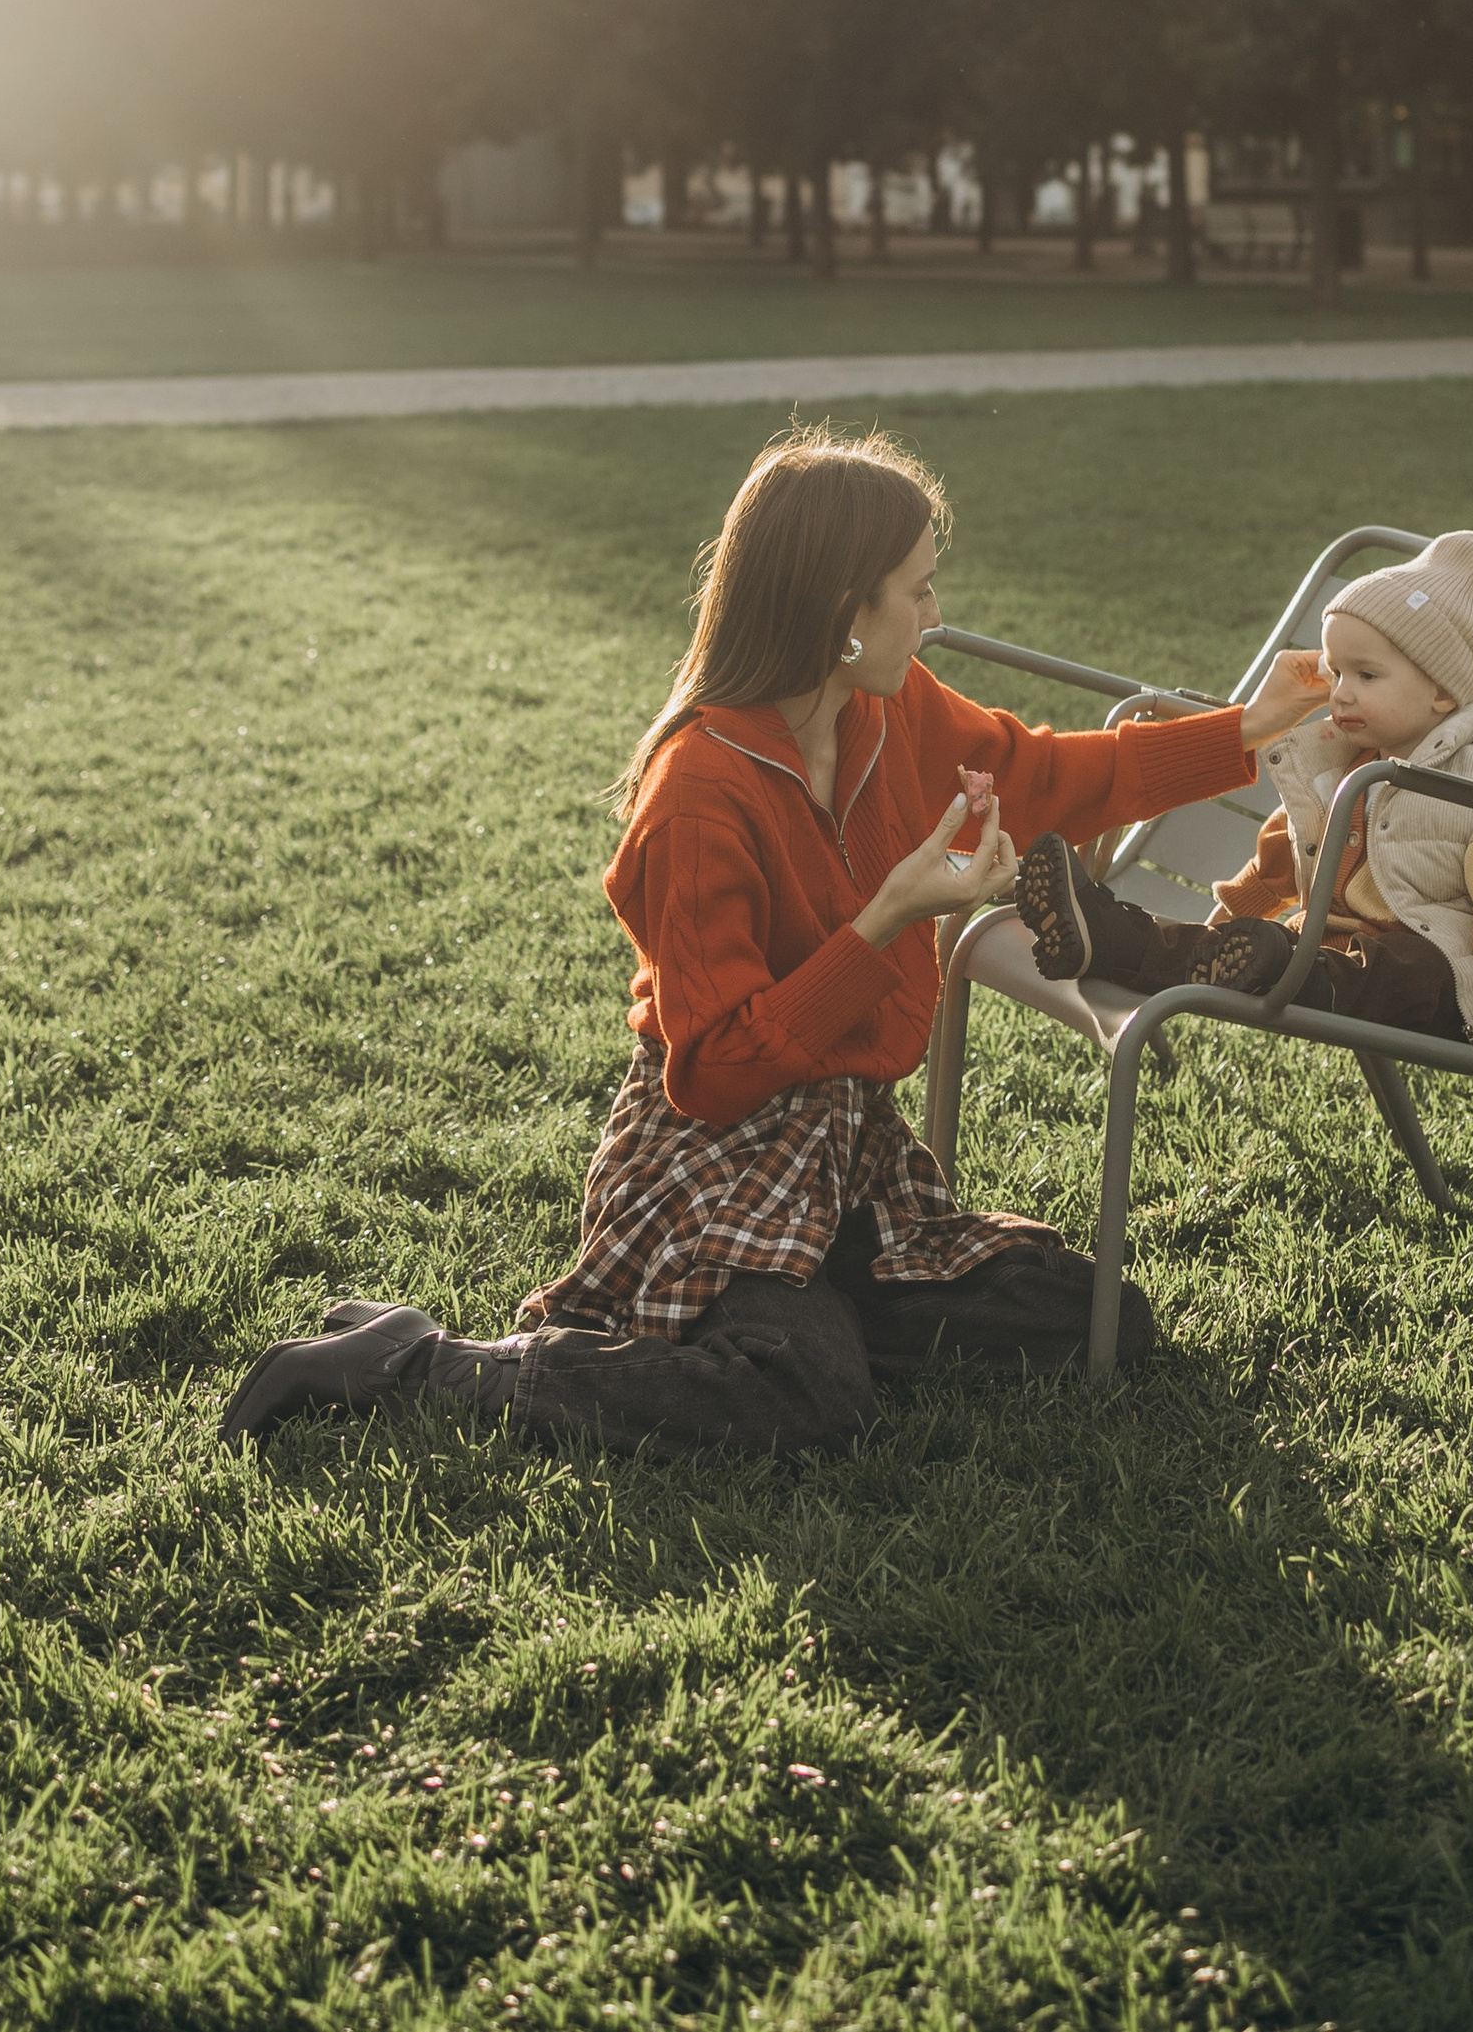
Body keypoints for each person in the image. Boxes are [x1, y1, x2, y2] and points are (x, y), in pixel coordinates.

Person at [219, 428, 1323, 1458]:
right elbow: (717, 1069)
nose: (934, 613)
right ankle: (427, 1362)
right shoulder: (697, 793)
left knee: (1098, 1319)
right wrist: (885, 918)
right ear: (844, 610)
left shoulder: (886, 709)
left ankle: (803, 1303)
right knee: (801, 1396)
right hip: (716, 1151)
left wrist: (1249, 730)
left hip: (845, 1150)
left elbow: (1048, 772)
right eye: (918, 586)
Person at [1011, 529, 1473, 1061]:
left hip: (1449, 979)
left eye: (1366, 676)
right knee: (1256, 951)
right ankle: (1109, 938)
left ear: (1442, 691)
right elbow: (1290, 853)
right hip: (1329, 957)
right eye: (1335, 672)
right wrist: (1236, 912)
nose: (1340, 694)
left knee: (1386, 964)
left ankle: (1242, 960)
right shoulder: (1346, 766)